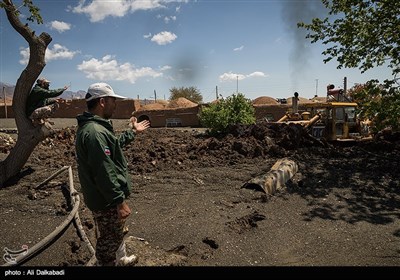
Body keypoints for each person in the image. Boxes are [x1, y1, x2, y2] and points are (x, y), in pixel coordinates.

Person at [75, 82, 150, 266]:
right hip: (106, 199)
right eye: (112, 100)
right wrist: (119, 201)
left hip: (104, 196)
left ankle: (121, 259)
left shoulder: (97, 128)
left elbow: (113, 145)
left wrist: (132, 132)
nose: (115, 104)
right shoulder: (94, 133)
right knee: (108, 240)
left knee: (116, 232)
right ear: (102, 102)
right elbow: (104, 172)